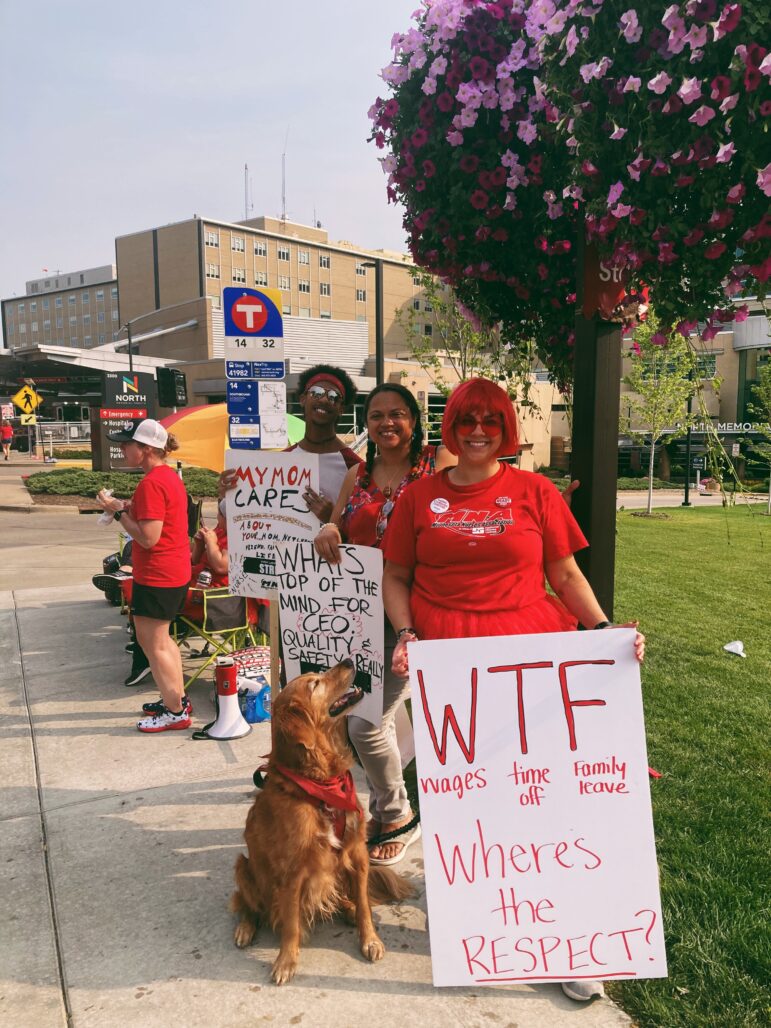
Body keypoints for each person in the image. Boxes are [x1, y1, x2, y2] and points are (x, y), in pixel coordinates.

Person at [382, 377, 645, 1003]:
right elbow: (395, 575)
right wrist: (406, 633)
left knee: (543, 792)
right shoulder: (420, 497)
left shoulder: (534, 491)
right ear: (452, 427)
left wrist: (605, 634)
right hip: (447, 658)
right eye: (468, 421)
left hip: (533, 652)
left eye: (492, 422)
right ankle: (484, 926)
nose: (478, 432)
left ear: (507, 429)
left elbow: (564, 571)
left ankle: (568, 939)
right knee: (465, 796)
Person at [314, 383, 455, 866]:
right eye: (376, 416)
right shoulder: (358, 474)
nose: (387, 423)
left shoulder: (439, 465)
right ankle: (383, 806)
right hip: (356, 616)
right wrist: (328, 527)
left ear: (415, 421)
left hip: (414, 615)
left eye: (397, 414)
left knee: (365, 722)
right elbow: (338, 525)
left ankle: (397, 815)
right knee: (370, 717)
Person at [97, 419, 192, 733]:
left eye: (127, 444)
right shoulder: (166, 476)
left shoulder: (152, 483)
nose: (122, 449)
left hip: (157, 574)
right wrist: (126, 506)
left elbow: (149, 537)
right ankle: (176, 699)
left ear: (147, 449)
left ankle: (176, 711)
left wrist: (120, 511)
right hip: (173, 571)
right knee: (163, 641)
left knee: (153, 644)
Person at [219, 363, 362, 523]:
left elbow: (366, 529)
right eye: (316, 393)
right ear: (302, 399)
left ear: (341, 408)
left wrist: (333, 519)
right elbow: (231, 520)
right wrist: (227, 494)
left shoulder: (355, 467)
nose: (323, 399)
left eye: (333, 397)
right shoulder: (280, 463)